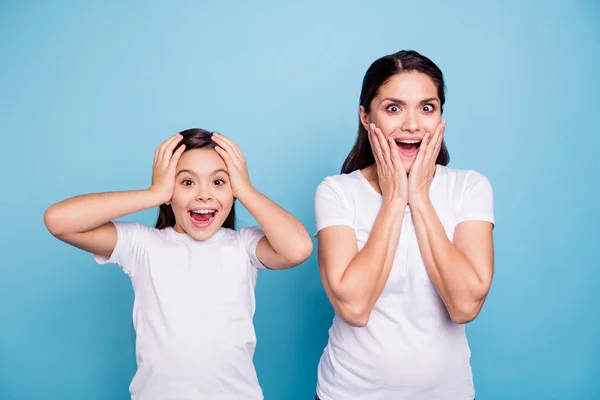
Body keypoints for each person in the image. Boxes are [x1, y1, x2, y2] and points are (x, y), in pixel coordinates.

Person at [44, 128, 313, 400]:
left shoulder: (244, 246)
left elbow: (298, 249)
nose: (204, 195)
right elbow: (58, 220)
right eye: (187, 182)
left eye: (219, 182)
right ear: (169, 191)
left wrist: (245, 189)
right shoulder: (143, 245)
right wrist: (154, 193)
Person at [313, 50, 494, 400]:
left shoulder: (470, 187)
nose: (412, 124)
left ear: (441, 115)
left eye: (427, 108)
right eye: (393, 108)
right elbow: (354, 307)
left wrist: (420, 199)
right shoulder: (337, 192)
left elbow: (465, 306)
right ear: (366, 117)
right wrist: (395, 201)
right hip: (348, 392)